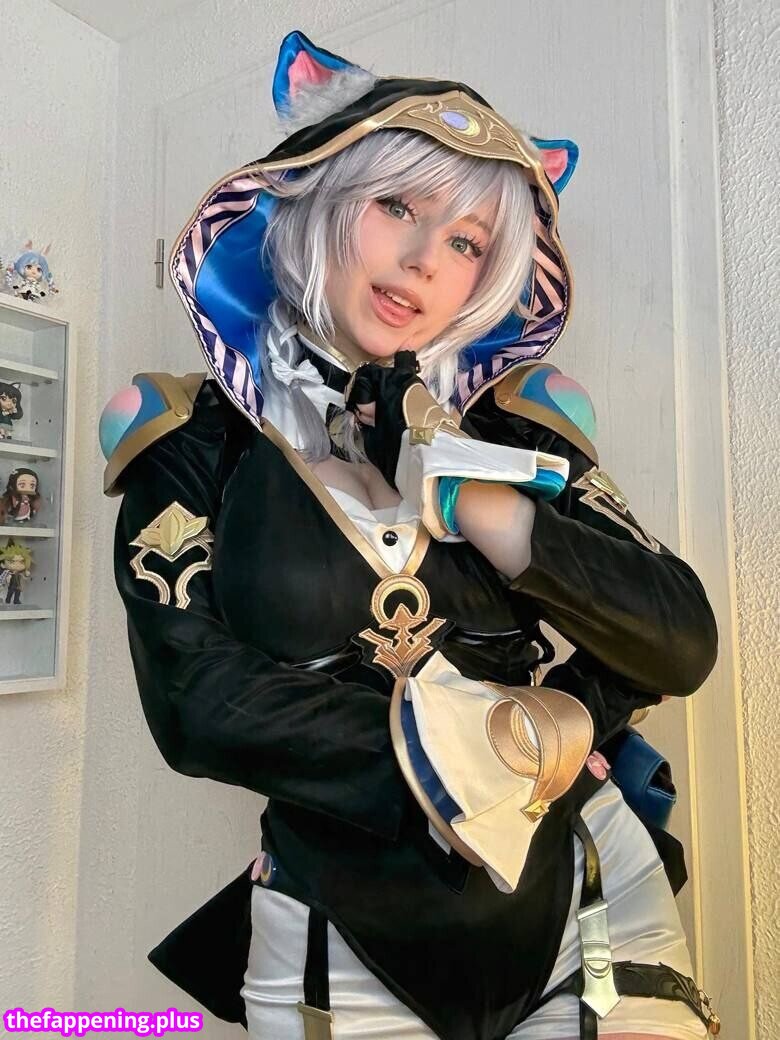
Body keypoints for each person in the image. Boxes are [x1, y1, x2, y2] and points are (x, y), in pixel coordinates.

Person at [100, 30, 721, 1040]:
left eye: (468, 241)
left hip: (584, 894)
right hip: (337, 929)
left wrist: (484, 505)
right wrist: (519, 742)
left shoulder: (522, 430)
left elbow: (676, 638)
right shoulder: (190, 439)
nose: (427, 259)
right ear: (321, 199)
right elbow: (195, 704)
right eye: (398, 206)